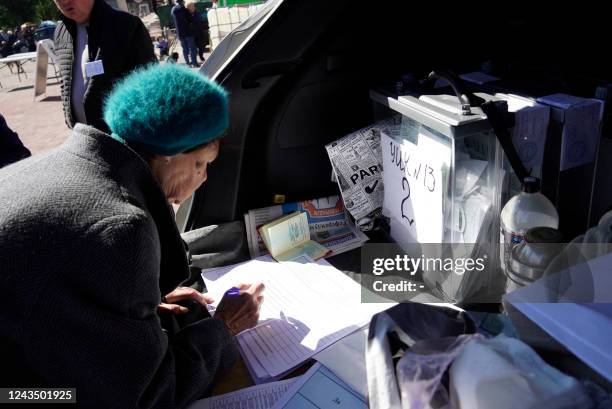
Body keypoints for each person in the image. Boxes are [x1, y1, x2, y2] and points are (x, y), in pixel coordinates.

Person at [0, 64, 264, 408]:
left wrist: (139, 302)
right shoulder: (123, 227)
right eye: (202, 164)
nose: (202, 179)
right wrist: (225, 326)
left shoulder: (54, 167)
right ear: (172, 153)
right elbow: (146, 398)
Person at [53, 0, 156, 133]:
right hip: (82, 139)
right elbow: (65, 83)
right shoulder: (61, 31)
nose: (65, 1)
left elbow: (150, 90)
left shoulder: (127, 26)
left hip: (123, 139)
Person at [171, 0, 198, 67]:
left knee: (185, 49)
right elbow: (191, 20)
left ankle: (188, 63)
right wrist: (192, 13)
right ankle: (194, 63)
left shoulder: (173, 10)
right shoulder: (185, 10)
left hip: (180, 33)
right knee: (192, 48)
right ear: (182, 2)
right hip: (188, 32)